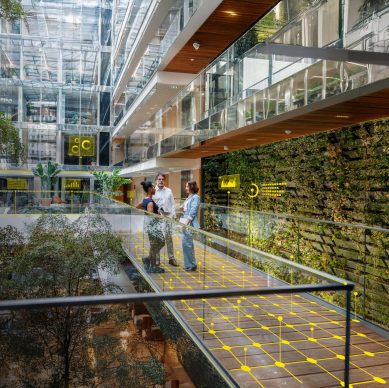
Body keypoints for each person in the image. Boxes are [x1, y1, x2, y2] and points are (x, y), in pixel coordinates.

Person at [138, 181, 165, 273]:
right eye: (153, 187)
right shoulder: (149, 202)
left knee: (154, 245)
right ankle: (149, 261)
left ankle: (151, 263)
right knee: (161, 242)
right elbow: (151, 216)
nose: (155, 189)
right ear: (149, 189)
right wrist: (158, 215)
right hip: (153, 227)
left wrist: (156, 210)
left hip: (150, 227)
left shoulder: (145, 200)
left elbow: (137, 206)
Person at [153, 172, 179, 267]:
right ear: (156, 180)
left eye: (162, 179)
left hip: (168, 217)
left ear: (164, 180)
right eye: (159, 179)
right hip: (158, 217)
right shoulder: (153, 191)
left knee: (169, 237)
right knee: (158, 238)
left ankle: (171, 258)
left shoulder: (169, 191)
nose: (161, 181)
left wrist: (173, 216)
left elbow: (172, 204)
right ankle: (157, 259)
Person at [181, 180, 201, 271]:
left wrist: (186, 223)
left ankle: (191, 265)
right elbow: (186, 208)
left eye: (187, 186)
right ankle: (190, 264)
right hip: (185, 221)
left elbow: (193, 212)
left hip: (189, 223)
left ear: (191, 187)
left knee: (187, 243)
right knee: (187, 244)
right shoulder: (189, 197)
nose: (185, 188)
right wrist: (183, 208)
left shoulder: (196, 197)